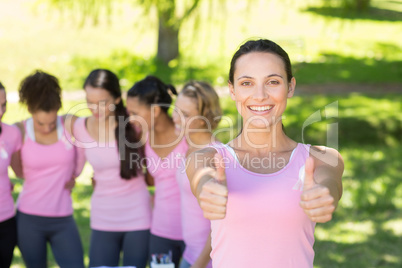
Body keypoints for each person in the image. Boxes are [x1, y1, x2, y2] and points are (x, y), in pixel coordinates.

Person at [186, 39, 344, 267]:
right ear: (232, 90)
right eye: (247, 83)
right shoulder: (207, 157)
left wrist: (324, 193)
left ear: (290, 87)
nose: (260, 95)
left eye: (272, 81)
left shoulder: (320, 158)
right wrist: (206, 189)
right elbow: (202, 176)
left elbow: (330, 183)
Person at [73, 69, 151, 268]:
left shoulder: (135, 125)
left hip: (138, 215)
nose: (94, 108)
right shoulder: (80, 127)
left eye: (101, 102)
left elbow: (158, 166)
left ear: (117, 98)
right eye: (89, 101)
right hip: (103, 216)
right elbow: (74, 168)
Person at [14, 71, 84, 268]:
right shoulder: (19, 131)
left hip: (63, 218)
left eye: (52, 123)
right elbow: (17, 171)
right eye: (40, 123)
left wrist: (75, 174)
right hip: (28, 219)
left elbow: (87, 148)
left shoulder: (70, 124)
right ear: (29, 110)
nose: (46, 128)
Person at [126, 76, 187, 267]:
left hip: (192, 234)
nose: (130, 118)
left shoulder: (187, 136)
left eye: (135, 112)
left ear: (156, 110)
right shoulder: (144, 138)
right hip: (160, 232)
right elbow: (153, 178)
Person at [172, 81, 222, 268]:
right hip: (190, 253)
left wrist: (199, 265)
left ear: (203, 119)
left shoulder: (214, 155)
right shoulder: (186, 145)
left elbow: (220, 223)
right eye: (175, 110)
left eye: (185, 115)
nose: (175, 118)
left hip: (208, 261)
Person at [0, 82, 22, 268]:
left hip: (6, 219)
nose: (1, 112)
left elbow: (21, 171)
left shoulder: (12, 133)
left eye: (3, 105)